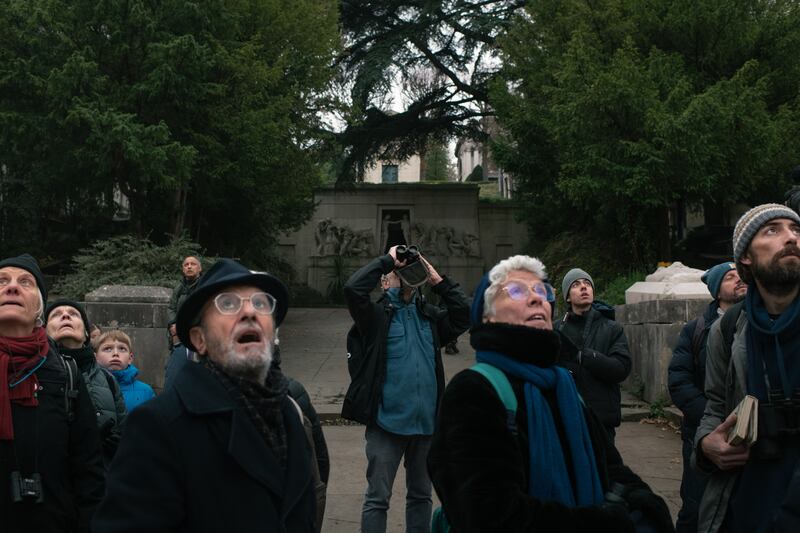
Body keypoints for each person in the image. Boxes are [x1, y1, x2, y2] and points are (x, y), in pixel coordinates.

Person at [427, 255, 673, 532]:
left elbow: (611, 468)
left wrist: (646, 507)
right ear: (487, 316)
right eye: (518, 290)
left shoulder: (564, 388)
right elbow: (489, 514)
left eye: (541, 291)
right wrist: (611, 523)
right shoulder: (472, 392)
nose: (536, 298)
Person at [93, 258, 317, 532]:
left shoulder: (290, 411)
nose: (250, 312)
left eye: (260, 303)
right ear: (199, 340)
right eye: (228, 304)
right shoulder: (158, 425)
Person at [342, 246, 470, 533]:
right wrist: (387, 261)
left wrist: (438, 280)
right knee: (378, 498)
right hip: (386, 424)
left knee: (421, 496)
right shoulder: (375, 318)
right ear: (385, 281)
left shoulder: (429, 317)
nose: (404, 274)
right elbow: (353, 289)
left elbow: (464, 316)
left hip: (425, 426)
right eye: (396, 273)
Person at [695, 204, 800, 533]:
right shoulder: (726, 330)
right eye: (773, 230)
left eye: (796, 230)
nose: (791, 238)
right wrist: (704, 446)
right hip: (747, 507)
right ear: (746, 258)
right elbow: (715, 405)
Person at [0, 254, 104, 532]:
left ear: (39, 309)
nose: (11, 287)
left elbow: (88, 471)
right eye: (1, 281)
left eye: (25, 282)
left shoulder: (66, 375)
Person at [668, 262, 746, 532]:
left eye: (740, 274)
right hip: (703, 435)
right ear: (716, 290)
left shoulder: (757, 322)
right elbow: (679, 383)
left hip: (748, 441)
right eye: (729, 277)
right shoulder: (696, 329)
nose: (738, 279)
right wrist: (714, 426)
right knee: (695, 508)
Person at [45, 299, 127, 465]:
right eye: (56, 315)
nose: (66, 316)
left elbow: (123, 428)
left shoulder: (108, 379)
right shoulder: (33, 374)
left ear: (86, 334)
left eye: (74, 314)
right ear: (43, 330)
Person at [555, 268, 632, 440]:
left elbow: (621, 369)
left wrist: (585, 357)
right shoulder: (556, 329)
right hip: (565, 417)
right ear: (567, 296)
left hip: (601, 420)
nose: (583, 287)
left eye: (587, 284)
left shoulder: (612, 328)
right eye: (576, 285)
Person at [163, 255, 203, 389]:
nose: (189, 266)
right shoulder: (179, 288)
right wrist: (173, 324)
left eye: (193, 264)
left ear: (199, 268)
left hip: (197, 336)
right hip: (178, 337)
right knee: (175, 370)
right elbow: (171, 308)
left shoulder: (204, 286)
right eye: (186, 264)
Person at [95, 329, 155, 412]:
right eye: (108, 348)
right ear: (96, 357)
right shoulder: (87, 387)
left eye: (122, 349)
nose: (115, 353)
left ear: (130, 358)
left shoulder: (146, 392)